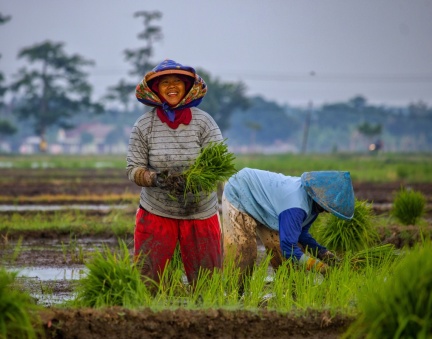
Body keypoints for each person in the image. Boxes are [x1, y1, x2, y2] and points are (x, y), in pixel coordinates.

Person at [126, 59, 223, 287]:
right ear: (156, 90)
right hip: (157, 211)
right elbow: (133, 169)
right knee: (149, 282)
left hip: (200, 212)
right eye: (165, 83)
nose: (171, 86)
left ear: (187, 87)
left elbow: (218, 166)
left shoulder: (204, 123)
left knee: (208, 286)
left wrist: (195, 181)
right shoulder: (143, 126)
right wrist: (156, 178)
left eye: (177, 81)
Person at [222, 168, 355, 277]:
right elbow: (288, 247)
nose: (328, 211)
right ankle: (234, 297)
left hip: (267, 207)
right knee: (245, 253)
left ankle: (291, 293)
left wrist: (324, 254)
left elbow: (301, 234)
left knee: (283, 257)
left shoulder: (313, 206)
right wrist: (320, 267)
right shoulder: (297, 207)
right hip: (241, 192)